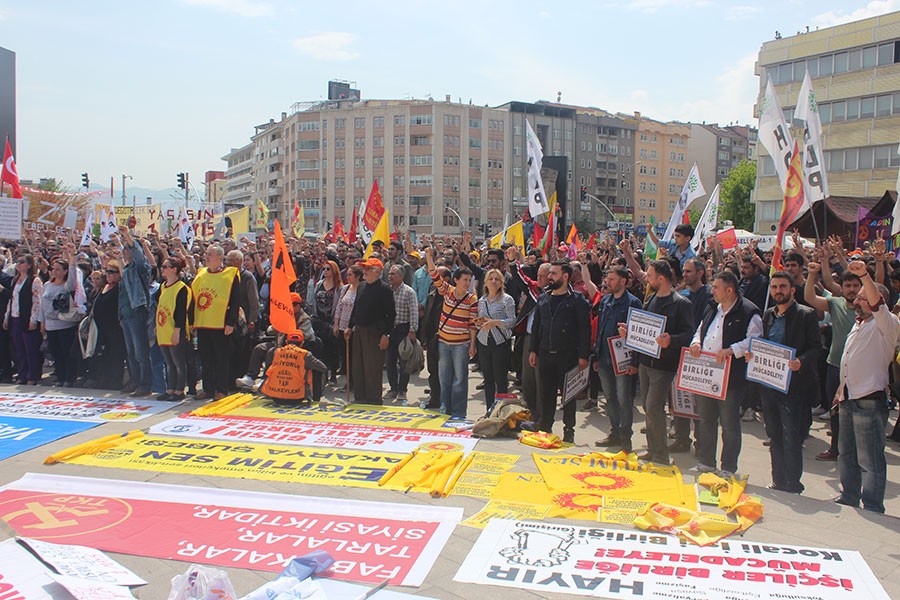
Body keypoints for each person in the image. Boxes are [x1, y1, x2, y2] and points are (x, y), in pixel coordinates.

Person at [833, 260, 900, 513]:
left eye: (862, 297)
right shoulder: (858, 324)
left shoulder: (887, 323)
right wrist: (840, 392)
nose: (857, 301)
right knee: (846, 453)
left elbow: (877, 305)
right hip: (849, 398)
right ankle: (849, 495)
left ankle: (872, 504)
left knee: (870, 459)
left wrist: (864, 275)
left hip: (869, 401)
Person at [620, 259, 695, 465]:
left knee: (654, 406)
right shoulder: (650, 299)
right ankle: (653, 449)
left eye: (650, 276)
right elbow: (643, 327)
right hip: (646, 362)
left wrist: (671, 339)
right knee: (648, 406)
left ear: (661, 278)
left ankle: (661, 455)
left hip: (664, 364)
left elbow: (689, 333)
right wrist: (629, 333)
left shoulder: (681, 304)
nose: (648, 279)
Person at [688, 270, 762, 478]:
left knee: (729, 424)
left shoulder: (748, 311)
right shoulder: (712, 307)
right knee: (706, 420)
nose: (712, 291)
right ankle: (706, 461)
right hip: (707, 374)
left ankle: (728, 466)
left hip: (731, 377)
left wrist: (732, 350)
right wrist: (696, 343)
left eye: (716, 288)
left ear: (729, 290)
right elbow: (701, 330)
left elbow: (754, 340)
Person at [755, 271, 821, 494]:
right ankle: (778, 480)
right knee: (774, 435)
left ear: (792, 290)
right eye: (774, 287)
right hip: (768, 385)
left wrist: (801, 361)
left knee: (791, 436)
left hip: (793, 387)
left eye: (782, 287)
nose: (778, 291)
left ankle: (793, 483)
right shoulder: (768, 314)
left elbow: (816, 347)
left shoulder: (805, 314)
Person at [804, 264, 861, 462]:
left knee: (858, 414)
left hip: (860, 371)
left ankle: (856, 454)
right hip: (835, 366)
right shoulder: (835, 303)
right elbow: (810, 298)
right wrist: (812, 274)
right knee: (835, 412)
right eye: (848, 286)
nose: (852, 289)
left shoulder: (870, 308)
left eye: (855, 286)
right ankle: (836, 448)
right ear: (842, 288)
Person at [529, 261, 591, 443]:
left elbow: (584, 330)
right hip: (545, 353)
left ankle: (568, 430)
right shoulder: (543, 298)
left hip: (568, 355)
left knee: (568, 396)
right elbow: (537, 325)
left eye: (554, 274)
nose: (550, 277)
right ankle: (546, 427)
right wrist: (533, 349)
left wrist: (583, 356)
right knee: (546, 394)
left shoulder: (577, 300)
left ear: (565, 276)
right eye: (550, 274)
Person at [425, 247, 478, 419]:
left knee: (460, 380)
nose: (467, 282)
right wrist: (428, 256)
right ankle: (445, 409)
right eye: (464, 279)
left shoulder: (472, 299)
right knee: (444, 378)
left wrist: (472, 344)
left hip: (460, 345)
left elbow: (472, 324)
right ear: (456, 280)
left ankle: (459, 412)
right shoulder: (446, 291)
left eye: (469, 280)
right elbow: (433, 273)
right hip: (444, 342)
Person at [593, 266, 642, 452]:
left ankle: (625, 436)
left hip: (623, 360)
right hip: (604, 357)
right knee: (610, 397)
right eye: (608, 279)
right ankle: (614, 431)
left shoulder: (633, 303)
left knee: (623, 399)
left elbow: (638, 335)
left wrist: (634, 362)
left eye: (612, 279)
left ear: (623, 281)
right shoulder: (605, 301)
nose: (608, 283)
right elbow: (600, 329)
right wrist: (596, 355)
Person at [192, 244, 240, 401]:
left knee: (221, 359)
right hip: (203, 322)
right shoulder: (201, 274)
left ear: (220, 257)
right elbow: (193, 299)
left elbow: (235, 301)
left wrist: (230, 323)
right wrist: (192, 321)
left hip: (221, 324)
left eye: (209, 255)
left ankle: (221, 389)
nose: (206, 257)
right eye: (206, 254)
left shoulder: (231, 274)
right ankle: (208, 388)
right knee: (205, 358)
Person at [345, 257, 395, 405]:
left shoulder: (385, 289)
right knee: (358, 365)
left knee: (372, 366)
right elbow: (356, 308)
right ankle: (360, 397)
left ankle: (373, 399)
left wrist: (386, 334)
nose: (364, 272)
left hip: (375, 332)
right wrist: (349, 326)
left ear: (377, 272)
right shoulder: (361, 286)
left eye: (367, 269)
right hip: (359, 330)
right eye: (364, 269)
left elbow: (391, 315)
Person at [37, 244, 84, 387]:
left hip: (65, 324)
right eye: (53, 269)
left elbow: (73, 273)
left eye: (58, 269)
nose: (54, 272)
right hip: (50, 325)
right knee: (56, 353)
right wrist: (42, 323)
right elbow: (42, 306)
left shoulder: (67, 285)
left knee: (66, 353)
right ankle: (60, 377)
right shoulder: (47, 285)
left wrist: (72, 255)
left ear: (64, 271)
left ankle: (69, 378)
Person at [118, 227, 154, 396]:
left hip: (138, 312)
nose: (124, 251)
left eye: (127, 248)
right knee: (130, 351)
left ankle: (145, 384)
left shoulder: (141, 268)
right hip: (126, 314)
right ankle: (134, 381)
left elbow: (139, 255)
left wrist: (127, 236)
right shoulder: (126, 269)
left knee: (141, 352)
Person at [476, 268, 516, 411]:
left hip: (500, 343)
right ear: (485, 282)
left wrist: (496, 322)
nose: (493, 281)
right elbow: (479, 322)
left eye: (497, 279)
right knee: (488, 379)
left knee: (501, 379)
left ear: (501, 283)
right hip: (484, 342)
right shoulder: (482, 301)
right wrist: (479, 322)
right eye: (490, 279)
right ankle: (489, 411)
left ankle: (502, 413)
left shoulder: (507, 299)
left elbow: (512, 321)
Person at [156, 256, 192, 401]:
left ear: (174, 269)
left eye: (165, 267)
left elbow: (181, 312)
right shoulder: (163, 286)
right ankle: (170, 388)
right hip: (163, 328)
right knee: (168, 362)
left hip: (175, 329)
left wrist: (177, 331)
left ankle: (179, 390)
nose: (162, 269)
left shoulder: (182, 288)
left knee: (178, 362)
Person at [259, 329, 328, 405]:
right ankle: (316, 400)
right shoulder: (305, 354)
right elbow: (323, 368)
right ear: (302, 343)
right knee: (317, 370)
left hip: (275, 396)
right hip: (296, 398)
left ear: (286, 342)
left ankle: (264, 390)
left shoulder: (275, 352)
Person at [3, 254, 43, 385]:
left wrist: (33, 319)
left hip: (27, 317)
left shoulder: (34, 280)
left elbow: (37, 301)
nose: (19, 264)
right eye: (17, 262)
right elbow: (12, 299)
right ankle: (22, 374)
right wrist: (7, 316)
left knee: (30, 348)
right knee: (19, 349)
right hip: (15, 317)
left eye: (22, 262)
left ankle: (33, 375)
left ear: (30, 265)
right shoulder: (15, 280)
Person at [385, 264, 419, 404]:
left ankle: (402, 390)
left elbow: (414, 312)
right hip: (390, 330)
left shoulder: (408, 292)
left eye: (393, 274)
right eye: (389, 273)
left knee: (404, 361)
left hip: (404, 330)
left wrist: (412, 330)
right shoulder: (387, 291)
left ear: (401, 276)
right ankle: (393, 388)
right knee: (390, 361)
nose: (390, 276)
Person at [92, 260, 126, 389]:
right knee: (104, 355)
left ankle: (115, 383)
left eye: (112, 272)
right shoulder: (105, 286)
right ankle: (103, 380)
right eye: (107, 272)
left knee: (116, 356)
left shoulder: (120, 287)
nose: (109, 274)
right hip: (101, 329)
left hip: (115, 328)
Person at [311, 260, 343, 382]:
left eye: (328, 269)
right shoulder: (319, 284)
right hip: (319, 320)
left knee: (332, 348)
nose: (325, 271)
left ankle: (333, 373)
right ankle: (322, 374)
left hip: (331, 320)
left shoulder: (339, 287)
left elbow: (339, 305)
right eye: (324, 269)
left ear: (334, 270)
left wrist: (336, 323)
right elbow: (313, 300)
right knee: (320, 347)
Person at [332, 264, 362, 388]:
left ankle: (355, 381)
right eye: (347, 274)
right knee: (345, 355)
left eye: (350, 275)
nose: (348, 277)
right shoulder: (345, 289)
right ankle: (349, 380)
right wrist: (336, 324)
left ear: (357, 276)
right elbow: (339, 306)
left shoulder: (361, 289)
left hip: (354, 328)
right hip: (342, 327)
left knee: (354, 356)